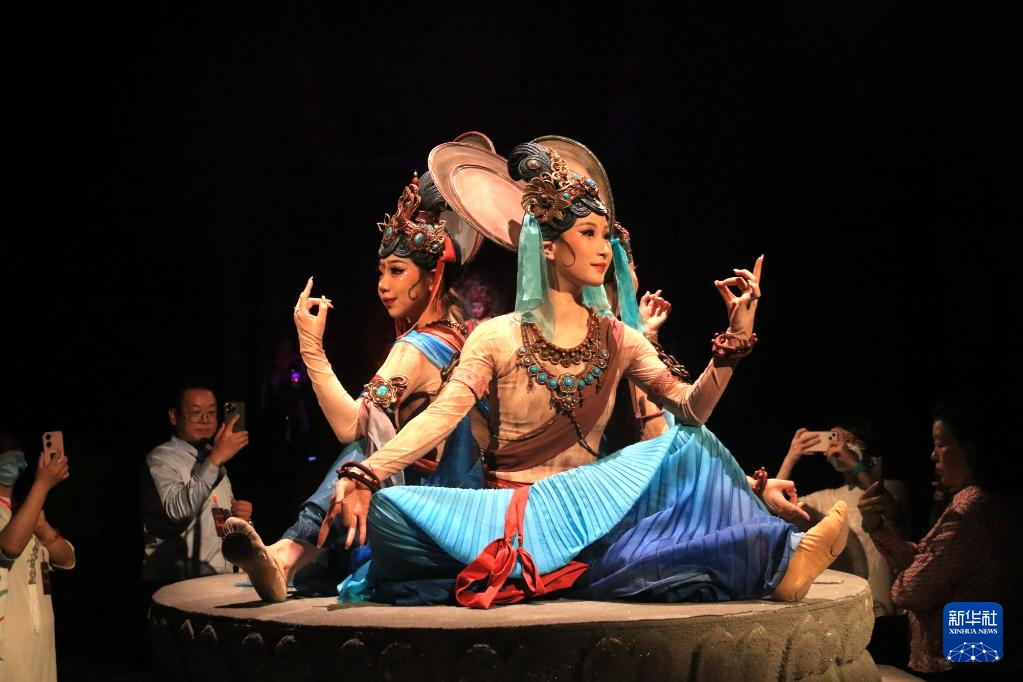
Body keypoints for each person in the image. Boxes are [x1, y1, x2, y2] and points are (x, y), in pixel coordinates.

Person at [322, 137, 849, 608]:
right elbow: (441, 417)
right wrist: (365, 473)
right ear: (549, 247)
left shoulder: (619, 338)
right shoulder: (497, 335)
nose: (602, 248)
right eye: (589, 233)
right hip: (509, 511)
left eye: (605, 236)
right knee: (392, 512)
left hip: (591, 509)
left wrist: (732, 344)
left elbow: (690, 410)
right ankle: (562, 568)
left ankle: (783, 560)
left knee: (691, 441)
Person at [221, 147, 492, 602]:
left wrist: (310, 346)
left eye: (397, 271)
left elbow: (349, 425)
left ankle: (288, 553)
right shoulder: (458, 337)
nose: (383, 284)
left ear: (432, 279)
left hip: (433, 508)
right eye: (381, 271)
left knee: (358, 447)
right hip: (466, 501)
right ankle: (290, 556)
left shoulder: (415, 348)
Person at [859, 401, 1016, 677]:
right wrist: (877, 527)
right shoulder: (981, 500)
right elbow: (927, 561)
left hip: (960, 654)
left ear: (971, 451)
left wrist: (907, 574)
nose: (933, 455)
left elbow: (909, 592)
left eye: (941, 444)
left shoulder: (971, 509)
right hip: (974, 641)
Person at [777, 421, 910, 617]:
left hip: (887, 609)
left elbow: (883, 503)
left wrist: (855, 464)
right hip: (849, 609)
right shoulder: (825, 499)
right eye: (833, 440)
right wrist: (791, 457)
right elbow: (776, 507)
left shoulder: (893, 488)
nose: (840, 447)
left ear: (865, 446)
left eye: (848, 441)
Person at [141, 381, 249, 583]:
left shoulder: (213, 459)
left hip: (218, 580)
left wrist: (240, 518)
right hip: (176, 585)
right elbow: (177, 512)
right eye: (196, 412)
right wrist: (215, 460)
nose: (205, 420)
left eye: (211, 412)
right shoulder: (161, 459)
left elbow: (218, 523)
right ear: (174, 416)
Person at [0, 432, 76, 682]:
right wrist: (42, 484)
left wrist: (43, 529)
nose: (11, 456)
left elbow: (67, 560)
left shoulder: (25, 510)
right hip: (7, 646)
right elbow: (9, 547)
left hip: (39, 641)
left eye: (15, 450)